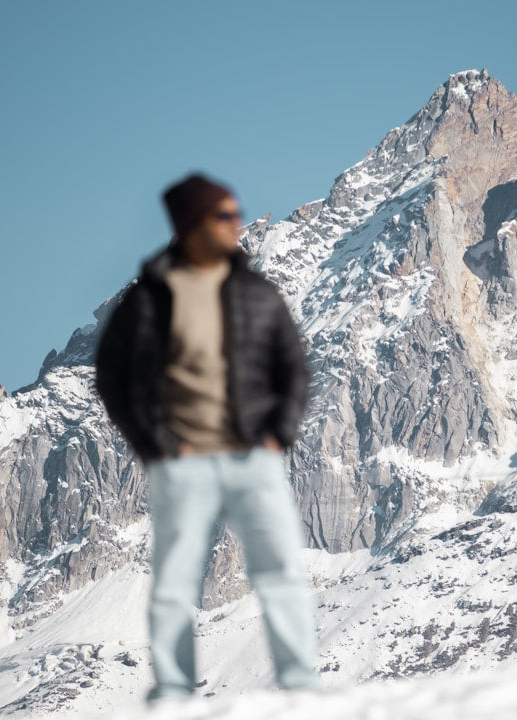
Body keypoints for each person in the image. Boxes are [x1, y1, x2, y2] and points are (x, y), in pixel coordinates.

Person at [94, 172, 319, 700]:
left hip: (252, 458)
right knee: (174, 582)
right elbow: (111, 377)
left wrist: (276, 437)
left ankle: (300, 686)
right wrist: (156, 446)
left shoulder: (255, 291)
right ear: (193, 224)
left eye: (237, 214)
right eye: (225, 216)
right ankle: (173, 692)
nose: (237, 224)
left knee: (280, 569)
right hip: (183, 462)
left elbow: (294, 366)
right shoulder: (149, 298)